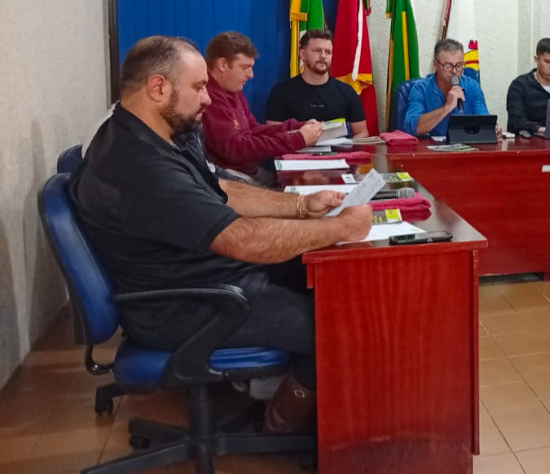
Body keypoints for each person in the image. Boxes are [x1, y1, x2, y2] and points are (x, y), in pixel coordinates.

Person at [71, 36, 374, 432]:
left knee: (333, 285)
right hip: (189, 305)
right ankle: (280, 424)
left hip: (207, 275)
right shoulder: (141, 166)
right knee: (340, 324)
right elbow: (240, 239)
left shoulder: (154, 132)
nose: (208, 98)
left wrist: (302, 206)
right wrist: (341, 226)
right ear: (158, 88)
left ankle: (290, 391)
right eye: (198, 87)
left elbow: (222, 190)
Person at [201, 31, 323, 184]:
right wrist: (297, 139)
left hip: (249, 171)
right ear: (222, 64)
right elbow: (235, 150)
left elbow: (252, 130)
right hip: (230, 177)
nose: (251, 74)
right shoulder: (208, 97)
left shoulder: (232, 89)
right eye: (245, 67)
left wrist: (297, 127)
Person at [265, 29, 368, 137]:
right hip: (297, 147)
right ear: (302, 54)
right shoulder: (281, 92)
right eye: (317, 51)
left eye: (328, 52)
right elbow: (273, 136)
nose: (323, 56)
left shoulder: (347, 92)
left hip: (338, 148)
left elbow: (362, 132)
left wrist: (349, 146)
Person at [403, 38, 492, 137]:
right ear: (436, 65)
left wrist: (492, 131)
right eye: (448, 66)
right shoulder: (420, 89)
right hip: (431, 146)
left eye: (459, 65)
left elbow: (485, 124)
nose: (454, 71)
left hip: (465, 145)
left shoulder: (473, 87)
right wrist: (447, 107)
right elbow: (411, 128)